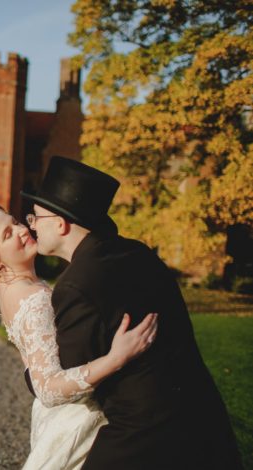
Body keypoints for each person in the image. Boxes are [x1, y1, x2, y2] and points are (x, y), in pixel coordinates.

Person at [21, 156, 243, 469]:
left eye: (36, 217)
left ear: (61, 224)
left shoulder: (75, 285)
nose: (31, 224)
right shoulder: (138, 252)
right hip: (201, 411)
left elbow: (69, 379)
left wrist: (32, 360)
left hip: (143, 432)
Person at [0, 204, 158, 469]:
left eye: (15, 222)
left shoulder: (16, 289)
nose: (22, 230)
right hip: (75, 419)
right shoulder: (31, 298)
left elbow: (35, 363)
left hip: (56, 415)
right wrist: (116, 358)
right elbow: (48, 389)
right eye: (7, 234)